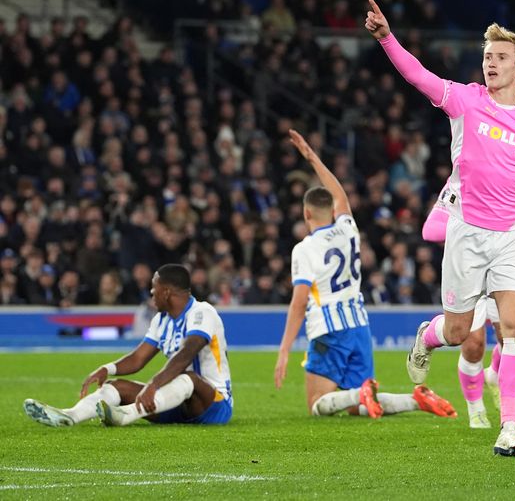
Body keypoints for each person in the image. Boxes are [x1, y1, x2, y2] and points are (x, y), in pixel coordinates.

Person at [366, 0, 515, 457]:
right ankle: (429, 335)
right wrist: (386, 39)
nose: (490, 63)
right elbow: (418, 75)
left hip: (512, 237)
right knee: (459, 333)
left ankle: (510, 428)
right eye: (486, 57)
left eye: (500, 57)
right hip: (466, 232)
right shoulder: (465, 100)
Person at [274, 129, 457, 420]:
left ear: (306, 214)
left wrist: (284, 350)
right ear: (331, 211)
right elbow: (341, 196)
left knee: (318, 404)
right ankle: (416, 399)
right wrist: (312, 158)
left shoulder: (305, 249)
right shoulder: (348, 229)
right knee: (355, 407)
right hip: (358, 326)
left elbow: (298, 303)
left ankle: (362, 392)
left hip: (328, 329)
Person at [422, 178, 515, 429]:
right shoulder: (461, 183)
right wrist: (468, 231)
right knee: (471, 342)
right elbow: (429, 230)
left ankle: (496, 385)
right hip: (471, 264)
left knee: (509, 335)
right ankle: (475, 407)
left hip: (503, 260)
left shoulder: (514, 175)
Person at [23, 264, 234, 427]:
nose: (151, 293)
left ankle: (125, 415)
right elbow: (138, 359)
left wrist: (153, 385)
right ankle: (69, 416)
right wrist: (108, 368)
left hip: (213, 404)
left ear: (167, 292)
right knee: (116, 386)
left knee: (188, 378)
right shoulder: (161, 320)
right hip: (174, 401)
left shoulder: (202, 312)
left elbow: (187, 354)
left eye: (154, 288)